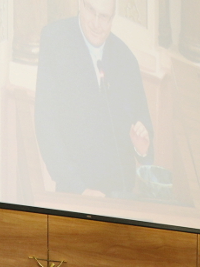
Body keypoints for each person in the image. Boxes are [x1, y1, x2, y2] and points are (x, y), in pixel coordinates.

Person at [34, 0, 154, 196]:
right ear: (81, 5)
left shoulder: (126, 59)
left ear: (113, 18)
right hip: (73, 191)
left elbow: (144, 130)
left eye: (104, 17)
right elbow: (45, 123)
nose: (96, 24)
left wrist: (141, 147)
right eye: (92, 11)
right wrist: (78, 188)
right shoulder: (55, 39)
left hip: (118, 194)